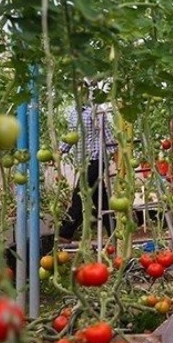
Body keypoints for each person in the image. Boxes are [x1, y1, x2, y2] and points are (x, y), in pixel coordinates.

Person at [58, 103, 117, 242]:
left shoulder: (96, 112)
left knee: (80, 192)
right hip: (83, 163)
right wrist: (60, 150)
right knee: (100, 199)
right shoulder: (73, 112)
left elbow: (109, 138)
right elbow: (72, 136)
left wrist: (117, 162)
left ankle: (66, 232)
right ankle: (115, 233)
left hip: (96, 159)